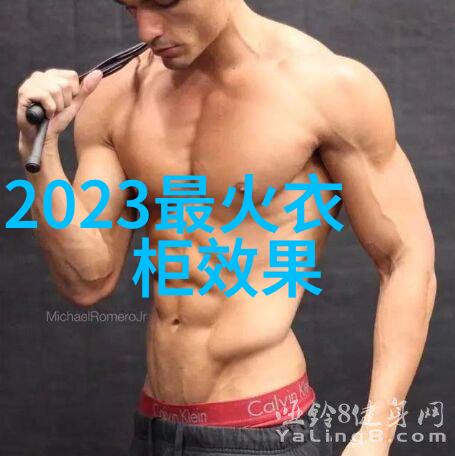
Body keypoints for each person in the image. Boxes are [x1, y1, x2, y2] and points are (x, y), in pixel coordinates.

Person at [16, 0, 437, 455]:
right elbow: (88, 280)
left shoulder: (326, 87)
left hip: (263, 432)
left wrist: (375, 436)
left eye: (164, 2)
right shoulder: (117, 95)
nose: (147, 29)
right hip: (154, 429)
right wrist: (42, 154)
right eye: (131, 7)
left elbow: (405, 258)